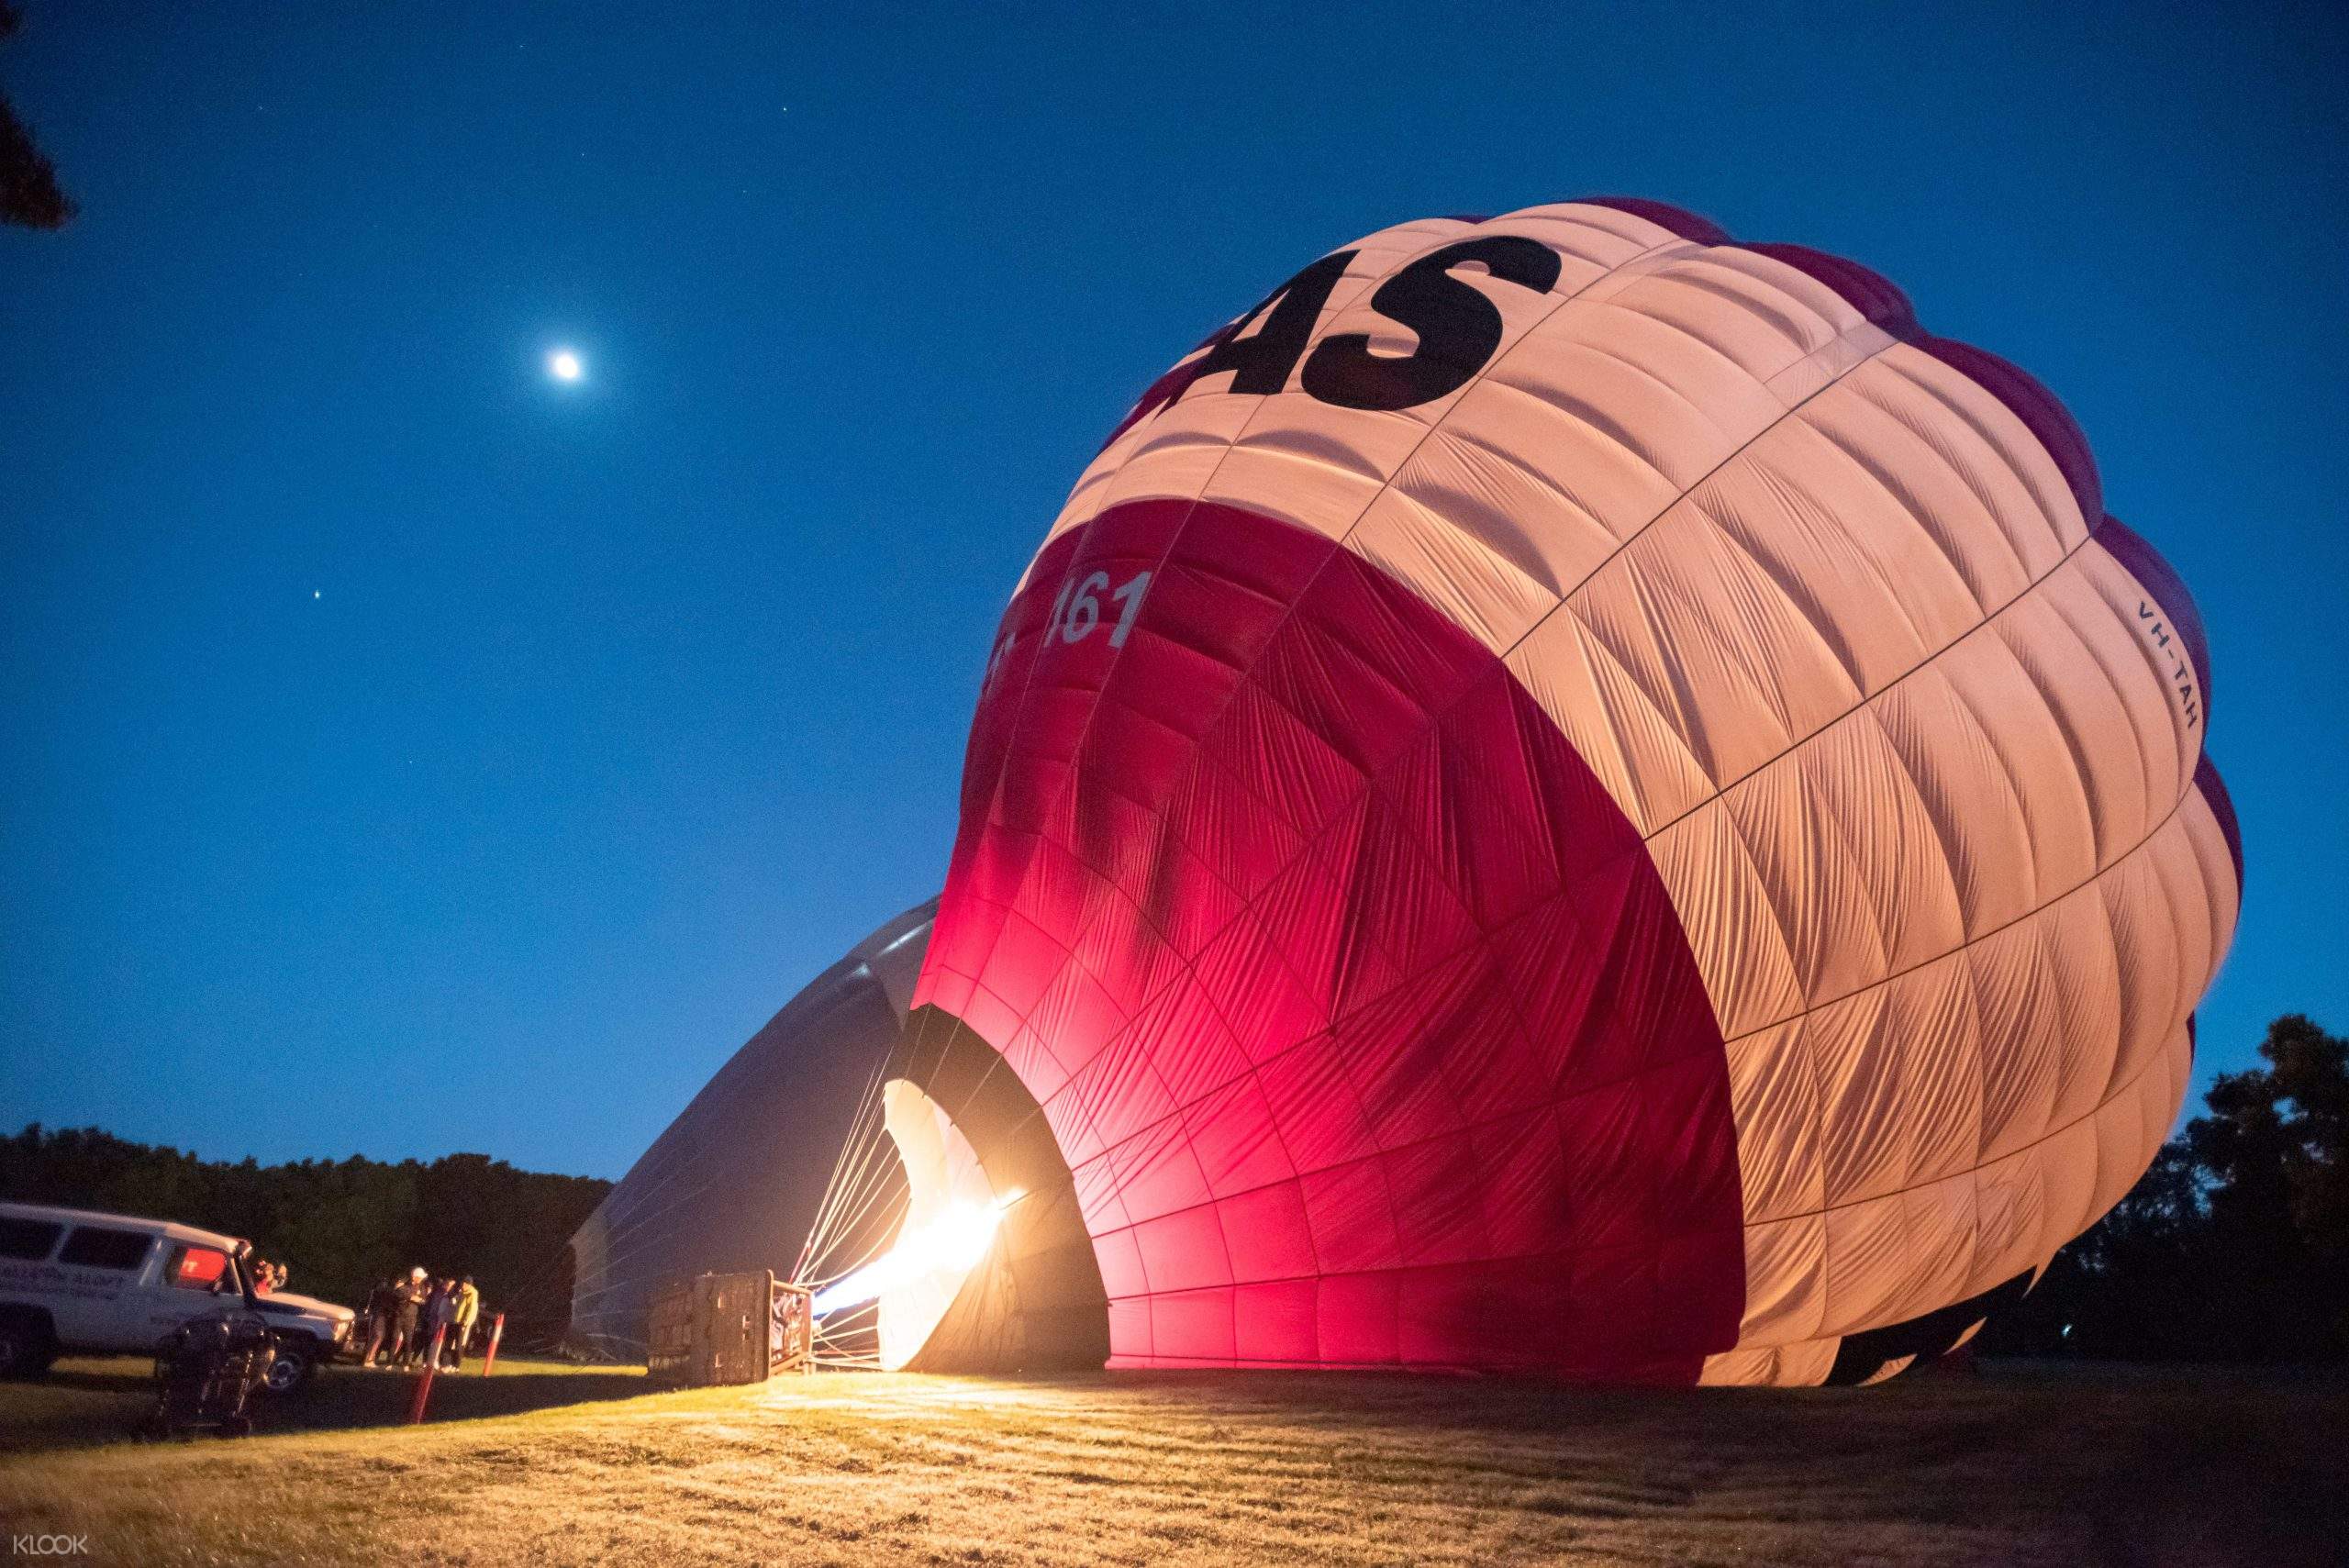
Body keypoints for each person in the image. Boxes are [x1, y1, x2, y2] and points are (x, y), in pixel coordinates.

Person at [391, 1266, 428, 1368]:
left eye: (421, 1278)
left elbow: (423, 1300)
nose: (420, 1280)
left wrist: (417, 1299)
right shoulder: (406, 1284)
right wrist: (411, 1297)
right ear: (414, 1277)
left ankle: (405, 1363)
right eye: (419, 1277)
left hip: (411, 1317)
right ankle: (390, 1361)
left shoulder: (422, 1287)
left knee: (408, 1340)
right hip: (400, 1314)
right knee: (395, 1338)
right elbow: (399, 1293)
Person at [360, 1276, 400, 1368]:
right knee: (378, 1336)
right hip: (380, 1315)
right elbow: (386, 1305)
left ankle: (368, 1358)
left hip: (377, 1314)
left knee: (374, 1337)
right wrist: (393, 1310)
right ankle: (369, 1359)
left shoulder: (376, 1292)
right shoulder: (384, 1293)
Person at [446, 1276, 481, 1370]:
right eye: (463, 1283)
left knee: (459, 1344)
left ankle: (456, 1365)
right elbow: (458, 1306)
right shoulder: (461, 1292)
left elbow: (471, 1309)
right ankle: (448, 1364)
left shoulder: (473, 1293)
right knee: (450, 1343)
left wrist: (466, 1321)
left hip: (463, 1322)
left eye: (466, 1284)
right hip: (455, 1320)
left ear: (470, 1285)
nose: (463, 1285)